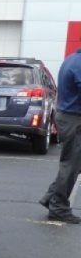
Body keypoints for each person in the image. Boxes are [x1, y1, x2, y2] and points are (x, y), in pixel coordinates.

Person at [39, 49, 81, 224]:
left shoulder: (72, 59)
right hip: (72, 119)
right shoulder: (78, 64)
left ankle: (51, 198)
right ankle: (59, 208)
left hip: (69, 117)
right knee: (70, 165)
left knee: (73, 164)